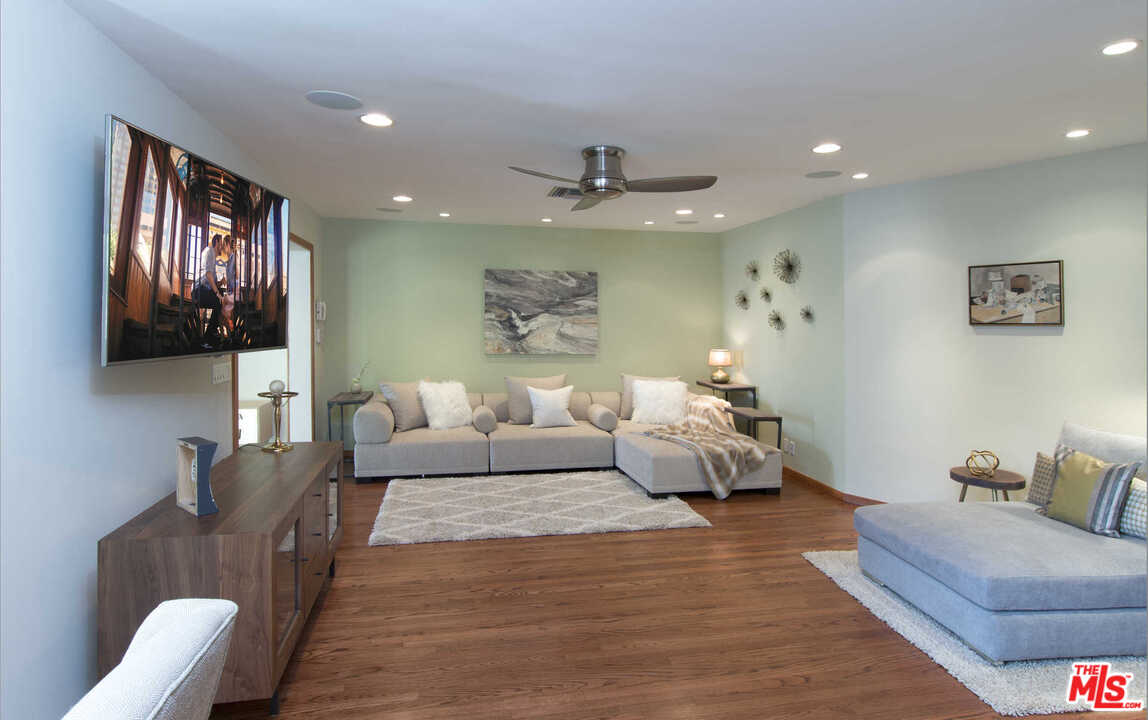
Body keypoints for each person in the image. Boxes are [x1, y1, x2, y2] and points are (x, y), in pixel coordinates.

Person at [191, 234, 224, 346]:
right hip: (198, 290)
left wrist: (221, 282)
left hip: (204, 289)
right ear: (217, 242)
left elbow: (213, 282)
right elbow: (208, 275)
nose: (222, 247)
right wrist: (217, 293)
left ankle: (211, 333)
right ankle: (210, 334)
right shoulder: (209, 251)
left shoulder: (213, 259)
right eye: (221, 243)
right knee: (219, 299)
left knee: (221, 297)